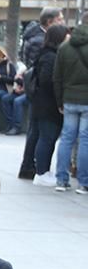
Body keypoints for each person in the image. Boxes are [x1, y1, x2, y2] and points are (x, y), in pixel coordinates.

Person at [19, 9, 67, 179]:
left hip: (38, 96)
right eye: (60, 19)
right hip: (43, 99)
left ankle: (30, 167)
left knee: (36, 133)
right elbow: (44, 76)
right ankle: (35, 169)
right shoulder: (44, 45)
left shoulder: (37, 39)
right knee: (40, 134)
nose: (63, 22)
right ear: (49, 22)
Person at [53, 23, 88, 193]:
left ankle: (61, 180)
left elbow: (57, 77)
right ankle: (83, 183)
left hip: (69, 99)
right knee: (85, 140)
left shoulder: (64, 47)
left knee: (66, 138)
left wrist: (60, 100)